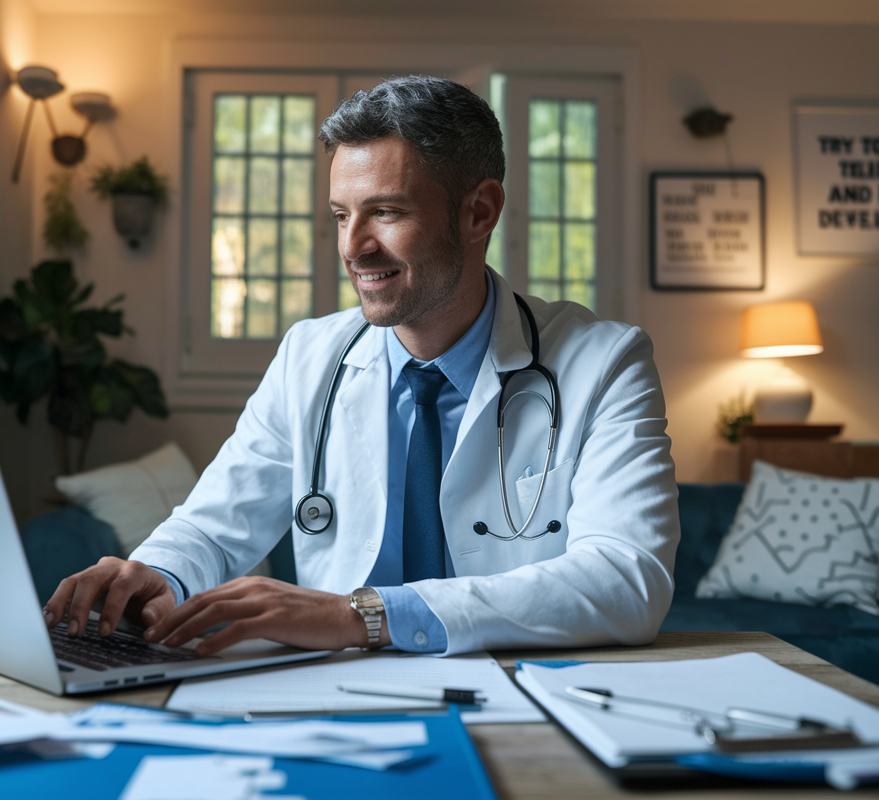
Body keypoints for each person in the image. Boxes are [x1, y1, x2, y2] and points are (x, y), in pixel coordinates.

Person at [44, 76, 679, 658]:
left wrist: (365, 615)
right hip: (334, 696)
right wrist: (157, 574)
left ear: (480, 212)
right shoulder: (308, 355)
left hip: (522, 691)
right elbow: (214, 526)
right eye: (341, 215)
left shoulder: (605, 361)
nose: (352, 248)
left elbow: (627, 578)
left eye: (386, 212)